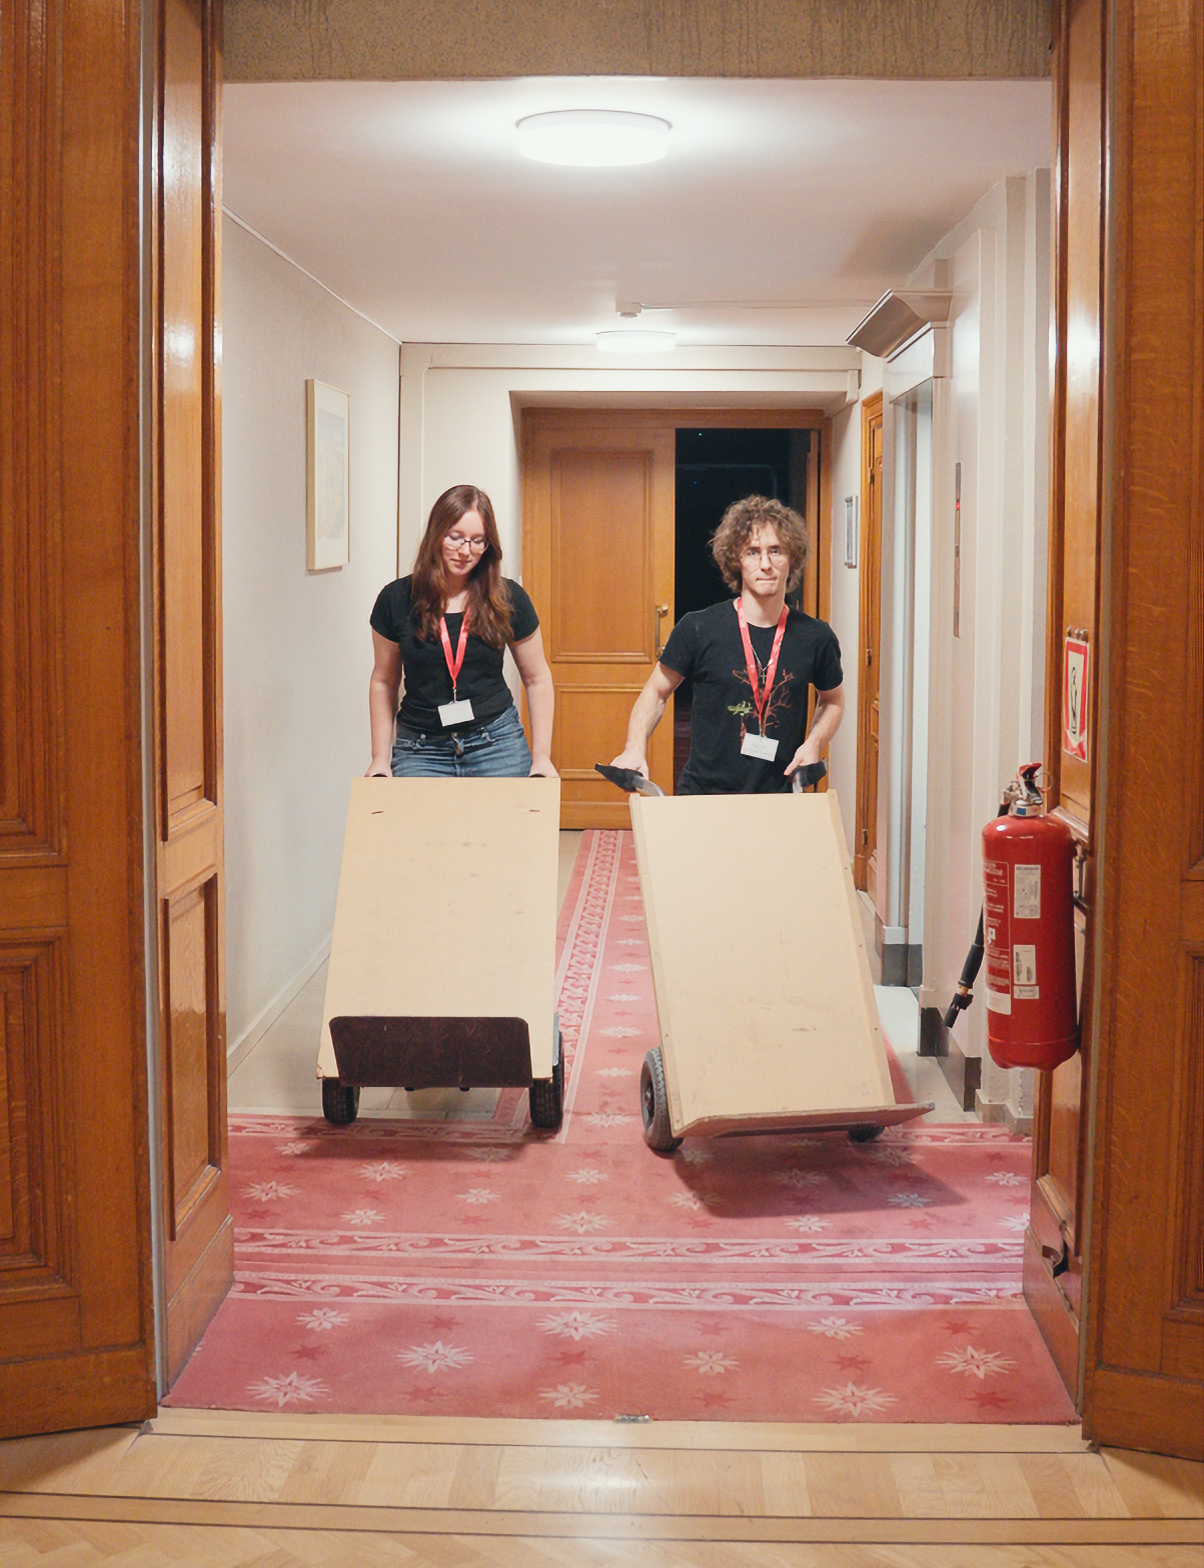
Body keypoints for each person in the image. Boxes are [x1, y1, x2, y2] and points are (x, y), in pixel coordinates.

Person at [611, 494, 843, 793]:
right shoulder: (698, 629)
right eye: (753, 552)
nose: (766, 564)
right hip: (704, 794)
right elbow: (655, 693)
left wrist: (814, 743)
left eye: (776, 551)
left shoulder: (815, 636)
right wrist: (634, 748)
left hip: (779, 796)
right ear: (736, 561)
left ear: (792, 559)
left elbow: (833, 700)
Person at [366, 484, 556, 778]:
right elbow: (383, 681)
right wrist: (380, 759)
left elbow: (537, 679)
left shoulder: (508, 597)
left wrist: (542, 757)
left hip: (496, 743)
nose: (466, 551)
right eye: (455, 537)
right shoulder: (396, 599)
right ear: (436, 534)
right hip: (421, 748)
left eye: (477, 541)